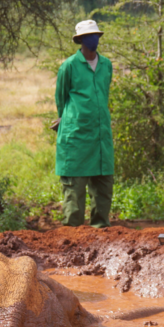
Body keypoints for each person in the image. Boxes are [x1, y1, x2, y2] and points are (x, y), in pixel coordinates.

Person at [54, 20, 114, 228]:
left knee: (104, 186)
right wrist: (67, 119)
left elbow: (104, 94)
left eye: (96, 35)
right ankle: (73, 237)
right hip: (76, 135)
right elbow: (61, 98)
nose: (93, 39)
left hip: (101, 135)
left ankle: (101, 231)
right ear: (79, 40)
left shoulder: (106, 65)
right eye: (89, 36)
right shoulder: (69, 66)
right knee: (74, 189)